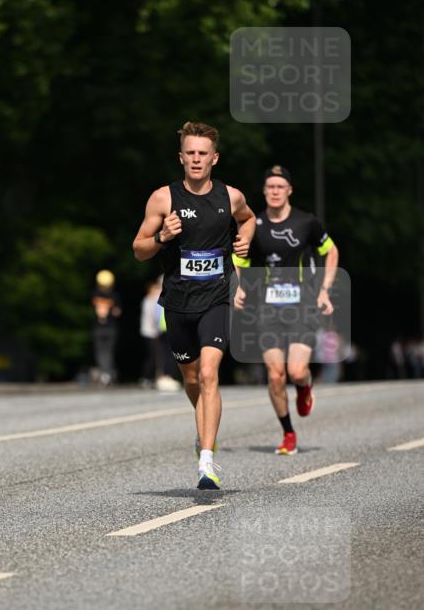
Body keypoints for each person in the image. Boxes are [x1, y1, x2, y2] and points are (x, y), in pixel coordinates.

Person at [132, 121, 255, 489]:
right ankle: (204, 425)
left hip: (217, 298)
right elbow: (138, 249)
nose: (197, 159)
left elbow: (248, 220)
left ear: (214, 158)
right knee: (191, 379)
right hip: (178, 303)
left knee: (208, 375)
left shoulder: (230, 196)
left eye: (203, 153)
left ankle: (207, 459)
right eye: (191, 153)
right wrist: (161, 236)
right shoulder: (163, 199)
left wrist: (244, 244)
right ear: (181, 157)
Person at [233, 165, 339, 454]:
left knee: (296, 371)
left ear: (289, 190)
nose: (276, 191)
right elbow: (239, 258)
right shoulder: (254, 224)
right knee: (276, 374)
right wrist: (241, 287)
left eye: (281, 186)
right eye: (270, 187)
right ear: (264, 191)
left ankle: (304, 388)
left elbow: (330, 251)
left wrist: (325, 289)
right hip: (267, 307)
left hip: (302, 305)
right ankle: (288, 433)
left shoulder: (307, 222)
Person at [91, 269, 122, 386]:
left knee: (106, 352)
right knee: (102, 352)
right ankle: (105, 373)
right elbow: (117, 312)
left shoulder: (97, 294)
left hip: (109, 328)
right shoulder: (113, 295)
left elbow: (117, 312)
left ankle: (106, 374)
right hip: (101, 327)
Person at [139, 278, 163, 388]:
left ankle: (151, 378)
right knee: (152, 357)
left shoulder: (149, 300)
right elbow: (154, 317)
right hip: (150, 333)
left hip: (151, 332)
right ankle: (147, 378)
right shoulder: (149, 301)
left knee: (154, 356)